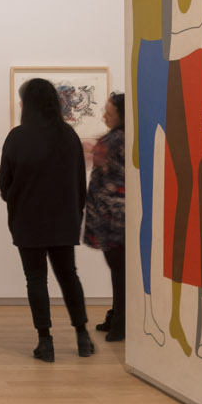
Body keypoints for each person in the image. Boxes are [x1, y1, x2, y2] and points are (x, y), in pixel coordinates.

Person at [0, 78, 94, 362]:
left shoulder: (17, 137)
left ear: (28, 104)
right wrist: (74, 215)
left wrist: (16, 201)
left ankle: (45, 341)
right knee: (69, 276)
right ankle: (83, 336)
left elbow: (5, 183)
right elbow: (79, 182)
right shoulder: (68, 135)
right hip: (64, 220)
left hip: (28, 220)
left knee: (36, 278)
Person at [83, 92, 127, 343]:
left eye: (108, 113)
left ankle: (121, 321)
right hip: (110, 218)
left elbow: (101, 160)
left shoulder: (118, 139)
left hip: (115, 220)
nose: (103, 116)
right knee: (118, 270)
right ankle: (118, 315)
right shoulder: (118, 138)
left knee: (120, 271)